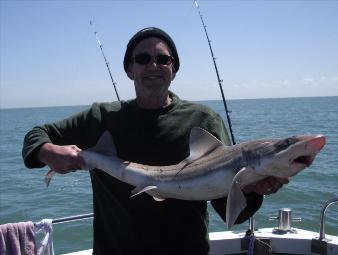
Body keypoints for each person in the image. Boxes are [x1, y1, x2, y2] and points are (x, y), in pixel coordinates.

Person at [22, 27, 288, 255]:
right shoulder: (101, 118)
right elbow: (36, 135)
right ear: (129, 69)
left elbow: (231, 210)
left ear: (174, 69)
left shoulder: (202, 120)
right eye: (143, 58)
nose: (153, 65)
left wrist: (253, 189)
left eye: (163, 58)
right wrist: (48, 151)